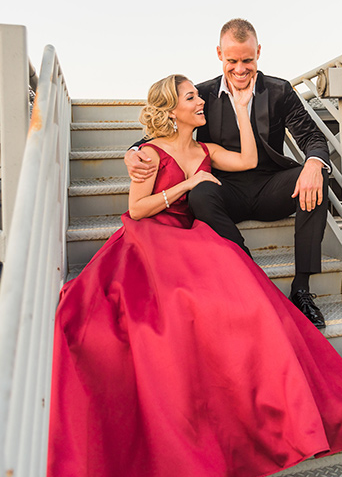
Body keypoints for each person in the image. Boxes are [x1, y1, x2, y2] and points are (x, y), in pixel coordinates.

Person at [46, 74, 342, 477]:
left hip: (194, 230)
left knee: (230, 283)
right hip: (152, 237)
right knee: (178, 307)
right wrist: (187, 183)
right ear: (174, 107)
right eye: (192, 99)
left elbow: (249, 160)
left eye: (198, 96)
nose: (202, 103)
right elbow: (139, 209)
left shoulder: (206, 147)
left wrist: (247, 118)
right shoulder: (147, 152)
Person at [125, 19, 330, 329]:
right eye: (232, 60)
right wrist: (133, 151)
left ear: (258, 52)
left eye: (247, 60)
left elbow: (312, 137)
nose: (239, 69)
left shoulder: (278, 90)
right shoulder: (202, 94)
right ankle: (250, 271)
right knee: (200, 192)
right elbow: (166, 132)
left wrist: (314, 163)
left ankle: (301, 289)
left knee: (317, 177)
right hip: (224, 190)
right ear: (219, 54)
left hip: (270, 186)